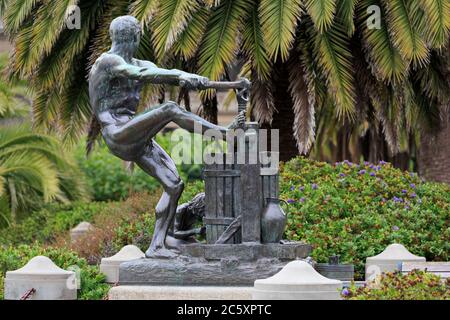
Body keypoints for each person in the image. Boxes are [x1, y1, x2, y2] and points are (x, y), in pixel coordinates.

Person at [88, 15, 245, 258]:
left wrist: (194, 79)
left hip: (135, 136)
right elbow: (137, 74)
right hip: (118, 134)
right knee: (170, 108)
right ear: (137, 37)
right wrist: (181, 77)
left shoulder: (141, 62)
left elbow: (161, 71)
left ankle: (158, 244)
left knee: (173, 185)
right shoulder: (107, 61)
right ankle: (225, 134)